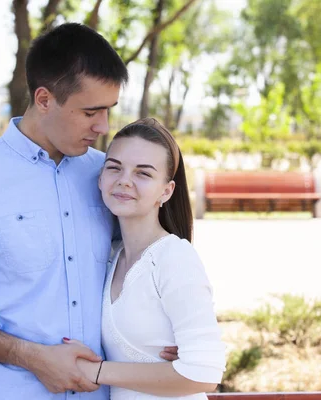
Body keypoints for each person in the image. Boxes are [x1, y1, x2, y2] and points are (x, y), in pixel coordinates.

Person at [0, 23, 176, 400]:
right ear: (45, 99)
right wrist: (29, 356)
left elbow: (151, 262)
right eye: (90, 112)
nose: (103, 127)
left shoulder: (110, 176)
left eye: (109, 111)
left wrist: (170, 329)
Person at [76, 118, 226, 399]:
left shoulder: (173, 257)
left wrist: (96, 372)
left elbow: (205, 372)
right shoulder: (107, 256)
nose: (124, 180)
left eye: (143, 173)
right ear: (100, 177)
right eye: (114, 167)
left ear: (166, 191)